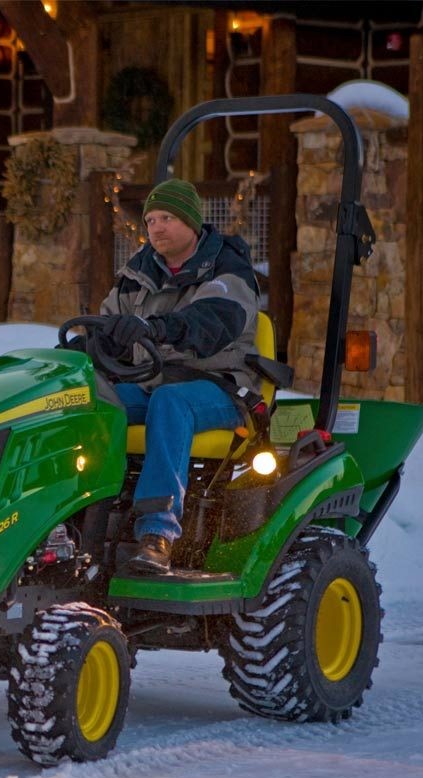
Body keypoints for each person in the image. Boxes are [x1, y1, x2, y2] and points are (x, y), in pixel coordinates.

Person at [96, 178, 260, 575]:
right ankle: (80, 521)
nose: (156, 227)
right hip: (153, 383)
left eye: (166, 217)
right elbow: (106, 330)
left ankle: (157, 534)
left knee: (172, 402)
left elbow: (211, 321)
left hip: (220, 388)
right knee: (93, 400)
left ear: (191, 222)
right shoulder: (137, 275)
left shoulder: (227, 269)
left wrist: (156, 328)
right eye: (151, 219)